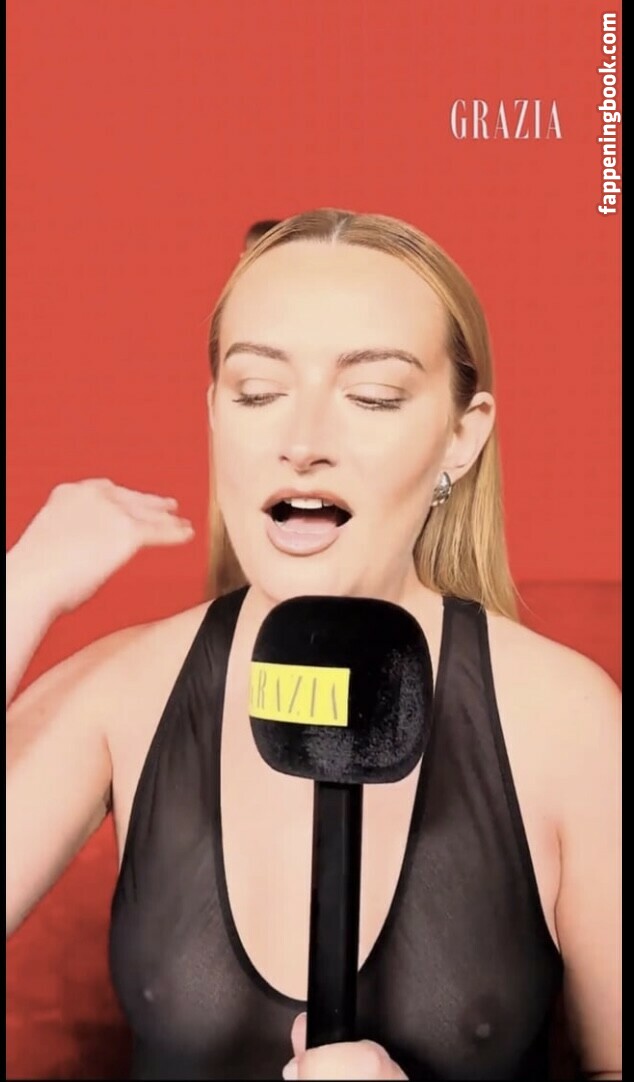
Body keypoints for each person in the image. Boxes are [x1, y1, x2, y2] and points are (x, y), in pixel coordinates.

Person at [6, 208, 621, 1081]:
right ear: (215, 413)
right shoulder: (124, 693)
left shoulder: (568, 721)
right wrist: (21, 588)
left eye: (372, 397)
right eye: (257, 392)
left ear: (462, 434)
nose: (301, 445)